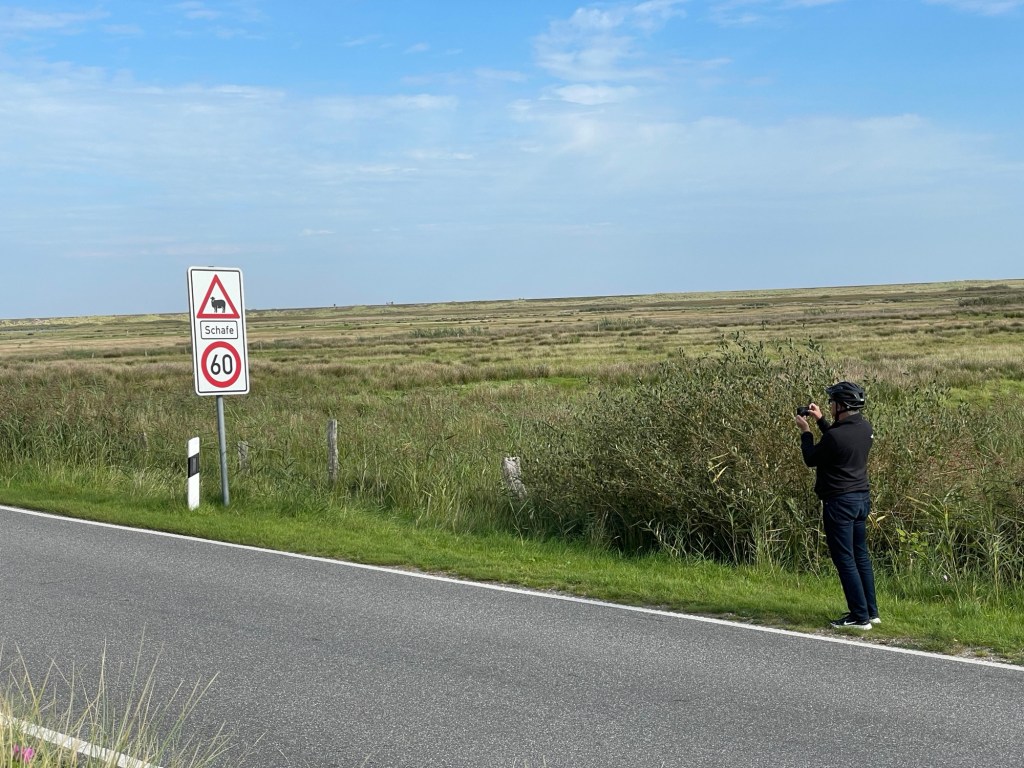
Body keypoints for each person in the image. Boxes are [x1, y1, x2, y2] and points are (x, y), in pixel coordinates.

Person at [794, 381, 879, 630]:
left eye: (832, 402)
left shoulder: (835, 436)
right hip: (861, 499)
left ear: (841, 405)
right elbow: (837, 440)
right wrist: (821, 420)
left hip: (840, 502)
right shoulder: (865, 428)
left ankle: (859, 617)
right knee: (860, 556)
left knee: (845, 559)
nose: (829, 405)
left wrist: (806, 431)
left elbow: (811, 458)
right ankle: (871, 612)